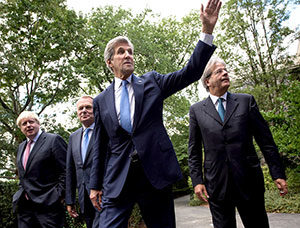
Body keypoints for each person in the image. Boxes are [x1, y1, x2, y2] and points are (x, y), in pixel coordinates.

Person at [89, 0, 222, 227]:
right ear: (110, 62)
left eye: (130, 51)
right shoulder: (100, 101)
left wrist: (206, 31)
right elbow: (100, 146)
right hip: (118, 179)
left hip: (155, 174)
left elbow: (189, 73)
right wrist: (95, 184)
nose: (128, 55)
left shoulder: (152, 82)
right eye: (121, 52)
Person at [188, 57, 288, 228]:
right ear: (208, 81)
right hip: (217, 184)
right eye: (219, 71)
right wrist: (197, 181)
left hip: (249, 181)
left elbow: (266, 141)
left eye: (226, 70)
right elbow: (194, 150)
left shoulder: (245, 101)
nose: (225, 73)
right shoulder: (196, 110)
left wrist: (277, 173)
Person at [13, 111, 67, 228]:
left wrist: (58, 195)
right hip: (25, 207)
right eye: (24, 124)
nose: (28, 125)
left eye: (31, 122)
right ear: (21, 128)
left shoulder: (53, 140)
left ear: (38, 123)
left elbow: (65, 171)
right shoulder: (21, 147)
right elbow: (23, 175)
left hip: (48, 206)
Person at [66, 96, 100, 228]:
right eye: (80, 108)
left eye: (88, 107)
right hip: (84, 196)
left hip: (103, 193)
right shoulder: (73, 137)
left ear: (96, 110)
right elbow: (70, 169)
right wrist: (70, 200)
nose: (84, 111)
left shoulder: (105, 130)